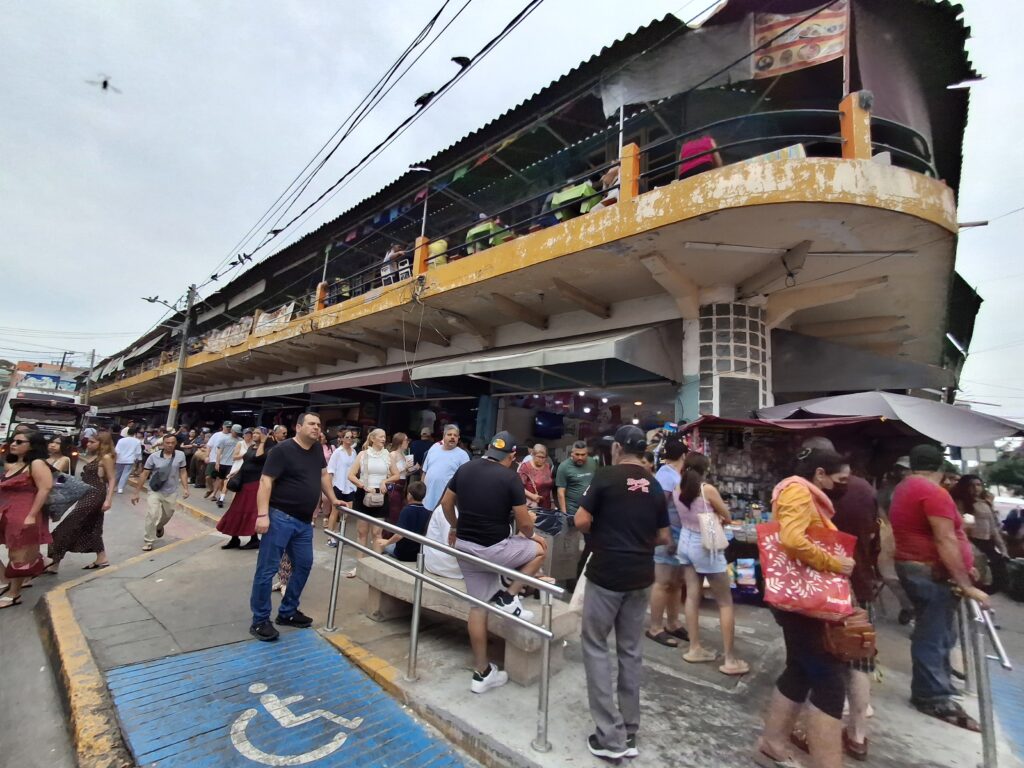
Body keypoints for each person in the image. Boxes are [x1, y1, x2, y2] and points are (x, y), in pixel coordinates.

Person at [574, 425, 670, 760]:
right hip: (641, 575)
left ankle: (609, 737)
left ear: (617, 448)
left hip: (607, 573)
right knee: (630, 651)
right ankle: (629, 731)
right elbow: (663, 536)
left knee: (596, 647)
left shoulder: (606, 476)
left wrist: (606, 530)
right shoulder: (654, 484)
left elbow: (581, 520)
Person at [755, 448, 855, 768]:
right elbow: (793, 540)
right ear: (820, 473)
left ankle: (772, 740)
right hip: (804, 601)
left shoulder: (804, 493)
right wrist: (834, 562)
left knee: (800, 669)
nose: (841, 486)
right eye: (839, 479)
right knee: (829, 680)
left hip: (801, 599)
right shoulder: (798, 491)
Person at [891, 444, 989, 731]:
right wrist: (965, 583)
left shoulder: (905, 487)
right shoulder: (932, 493)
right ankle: (932, 694)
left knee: (941, 631)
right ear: (941, 467)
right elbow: (945, 539)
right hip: (929, 570)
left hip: (918, 566)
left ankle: (939, 684)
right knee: (933, 633)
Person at [441, 431, 547, 693]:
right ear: (512, 455)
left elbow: (446, 502)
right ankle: (510, 597)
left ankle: (482, 672)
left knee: (477, 607)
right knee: (539, 551)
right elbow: (524, 523)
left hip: (465, 546)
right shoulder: (510, 477)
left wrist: (456, 527)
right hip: (493, 548)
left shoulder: (465, 468)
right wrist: (536, 537)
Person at [249, 412, 344, 642]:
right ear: (298, 427)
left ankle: (288, 611)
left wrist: (333, 498)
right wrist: (263, 515)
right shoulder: (282, 450)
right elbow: (265, 481)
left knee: (304, 564)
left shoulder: (316, 451)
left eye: (319, 425)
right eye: (311, 424)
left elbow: (323, 476)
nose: (316, 428)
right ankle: (260, 620)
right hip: (280, 517)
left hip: (303, 523)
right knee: (267, 569)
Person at [672, 452, 748, 676]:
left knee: (692, 596)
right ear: (705, 469)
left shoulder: (678, 488)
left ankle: (695, 648)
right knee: (725, 602)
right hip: (706, 544)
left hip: (685, 542)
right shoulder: (707, 490)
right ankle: (730, 660)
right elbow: (726, 514)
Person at [45, 432, 116, 572]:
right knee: (93, 526)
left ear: (102, 443)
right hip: (87, 494)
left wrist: (108, 499)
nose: (88, 444)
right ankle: (102, 557)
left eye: (92, 442)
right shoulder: (94, 456)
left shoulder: (106, 457)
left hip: (95, 495)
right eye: (88, 442)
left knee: (63, 529)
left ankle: (54, 562)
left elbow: (112, 479)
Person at [0, 430, 54, 608]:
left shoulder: (37, 464)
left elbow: (45, 489)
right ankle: (6, 580)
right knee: (16, 551)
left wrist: (31, 515)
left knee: (18, 553)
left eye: (19, 441)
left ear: (32, 445)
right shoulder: (14, 464)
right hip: (7, 513)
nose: (13, 444)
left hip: (24, 514)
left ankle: (14, 593)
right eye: (13, 441)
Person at [647, 439, 688, 648]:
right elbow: (657, 506)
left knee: (676, 583)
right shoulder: (665, 474)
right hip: (667, 536)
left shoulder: (676, 475)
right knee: (662, 583)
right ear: (684, 455)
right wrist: (665, 536)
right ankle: (655, 627)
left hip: (680, 536)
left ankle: (673, 622)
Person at [345, 428, 398, 577]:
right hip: (364, 494)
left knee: (377, 532)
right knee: (362, 532)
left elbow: (397, 474)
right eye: (381, 437)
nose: (383, 439)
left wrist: (385, 481)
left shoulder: (388, 456)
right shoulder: (363, 454)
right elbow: (351, 475)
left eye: (384, 437)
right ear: (373, 439)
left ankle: (376, 567)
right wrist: (362, 485)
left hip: (381, 495)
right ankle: (359, 566)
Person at [131, 434, 189, 551]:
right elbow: (145, 474)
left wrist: (186, 488)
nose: (170, 445)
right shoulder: (154, 457)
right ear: (163, 444)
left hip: (171, 491)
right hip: (155, 490)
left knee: (168, 514)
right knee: (152, 514)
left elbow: (183, 472)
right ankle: (148, 541)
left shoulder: (180, 455)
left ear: (176, 443)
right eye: (167, 443)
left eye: (172, 443)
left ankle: (159, 526)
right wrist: (136, 492)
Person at [217, 428, 273, 550]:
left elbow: (259, 458)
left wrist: (263, 441)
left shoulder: (269, 449)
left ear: (264, 436)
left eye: (258, 433)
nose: (254, 435)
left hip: (255, 484)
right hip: (244, 482)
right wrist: (237, 471)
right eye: (254, 433)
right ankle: (234, 538)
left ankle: (254, 540)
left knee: (249, 512)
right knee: (236, 510)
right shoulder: (252, 447)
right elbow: (247, 462)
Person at [953, 474, 1009, 593]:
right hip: (972, 542)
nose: (976, 488)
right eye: (971, 485)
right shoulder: (960, 503)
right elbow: (960, 527)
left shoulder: (985, 503)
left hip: (988, 542)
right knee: (978, 578)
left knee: (1000, 578)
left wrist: (1003, 550)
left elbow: (994, 529)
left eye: (978, 485)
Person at [374, 481, 431, 561]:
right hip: (419, 552)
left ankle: (376, 564)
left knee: (377, 542)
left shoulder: (406, 510)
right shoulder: (428, 512)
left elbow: (399, 535)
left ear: (409, 495)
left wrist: (387, 542)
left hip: (403, 553)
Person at [422, 424, 469, 513]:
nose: (452, 437)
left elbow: (465, 481)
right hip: (426, 501)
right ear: (444, 436)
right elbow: (424, 472)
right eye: (449, 434)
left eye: (455, 435)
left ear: (458, 438)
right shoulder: (433, 449)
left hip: (445, 504)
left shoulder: (463, 455)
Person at [325, 429, 358, 548]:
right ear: (342, 438)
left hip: (349, 485)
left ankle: (340, 533)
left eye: (351, 437)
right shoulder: (337, 452)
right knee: (335, 511)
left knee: (347, 511)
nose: (350, 439)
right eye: (347, 437)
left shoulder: (354, 451)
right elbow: (330, 470)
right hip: (338, 484)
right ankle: (330, 535)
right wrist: (329, 486)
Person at [387, 432, 416, 524]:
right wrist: (405, 467)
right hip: (394, 486)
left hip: (402, 486)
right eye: (406, 440)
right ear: (400, 442)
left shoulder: (404, 455)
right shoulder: (393, 454)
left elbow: (404, 473)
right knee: (393, 512)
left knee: (400, 511)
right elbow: (389, 472)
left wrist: (413, 469)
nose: (408, 442)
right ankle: (387, 535)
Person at [517, 443, 553, 509]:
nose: (541, 459)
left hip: (546, 504)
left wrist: (552, 501)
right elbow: (518, 487)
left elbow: (549, 487)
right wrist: (532, 496)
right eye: (539, 457)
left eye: (543, 457)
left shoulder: (548, 466)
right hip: (531, 504)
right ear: (533, 455)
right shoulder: (526, 467)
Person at [203, 421, 233, 501]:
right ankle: (211, 489)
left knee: (219, 478)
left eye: (230, 427)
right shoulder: (216, 435)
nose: (228, 428)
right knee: (208, 476)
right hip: (213, 459)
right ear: (223, 426)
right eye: (227, 427)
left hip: (223, 461)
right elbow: (209, 446)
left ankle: (214, 494)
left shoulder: (232, 436)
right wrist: (207, 456)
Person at [113, 429, 143, 494]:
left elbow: (116, 450)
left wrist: (115, 459)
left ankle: (113, 486)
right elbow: (138, 452)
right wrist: (139, 460)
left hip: (120, 459)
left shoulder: (121, 440)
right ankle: (120, 488)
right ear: (135, 433)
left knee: (118, 473)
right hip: (130, 460)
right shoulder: (137, 441)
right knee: (125, 474)